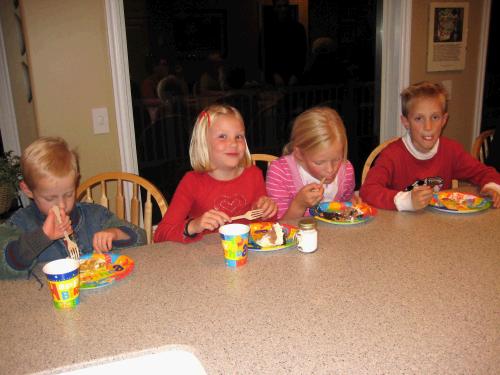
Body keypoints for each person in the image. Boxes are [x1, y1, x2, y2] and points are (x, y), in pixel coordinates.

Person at [0, 137, 147, 279]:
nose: (62, 205)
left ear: (76, 182)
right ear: (27, 190)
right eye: (50, 198)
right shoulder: (21, 222)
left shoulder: (95, 215)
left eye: (69, 194)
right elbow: (4, 266)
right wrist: (41, 237)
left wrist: (115, 233)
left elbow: (141, 238)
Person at [360, 81, 500, 210]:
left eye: (435, 117)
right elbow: (368, 191)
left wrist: (492, 187)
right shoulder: (391, 155)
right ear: (406, 122)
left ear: (444, 120)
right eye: (419, 119)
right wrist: (407, 201)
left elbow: (485, 172)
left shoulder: (451, 151)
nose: (428, 127)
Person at [154, 104, 277, 243]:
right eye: (222, 136)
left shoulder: (254, 175)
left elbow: (267, 227)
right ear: (204, 143)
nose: (233, 143)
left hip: (245, 255)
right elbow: (160, 235)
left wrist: (267, 211)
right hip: (204, 260)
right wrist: (194, 225)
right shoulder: (192, 182)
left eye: (239, 136)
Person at [266, 107, 357, 220]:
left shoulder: (346, 170)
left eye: (336, 159)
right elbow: (279, 227)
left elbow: (346, 203)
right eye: (319, 162)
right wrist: (299, 205)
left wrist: (353, 203)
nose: (331, 169)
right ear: (299, 154)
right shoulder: (280, 172)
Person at [261, 0, 307, 86]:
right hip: (274, 78)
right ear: (274, 8)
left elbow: (302, 53)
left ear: (289, 7)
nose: (283, 9)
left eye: (285, 6)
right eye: (279, 6)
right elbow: (264, 55)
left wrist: (296, 75)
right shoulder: (267, 30)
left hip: (294, 77)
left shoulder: (298, 28)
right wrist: (273, 74)